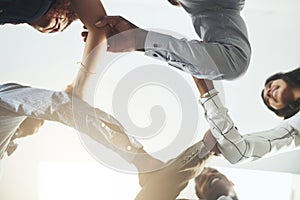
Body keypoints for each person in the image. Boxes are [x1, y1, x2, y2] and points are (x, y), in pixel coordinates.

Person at [94, 0, 251, 80]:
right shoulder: (223, 5)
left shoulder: (213, 9)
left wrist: (139, 40)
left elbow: (232, 62)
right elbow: (234, 62)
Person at [193, 67, 300, 164]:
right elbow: (241, 152)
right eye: (268, 101)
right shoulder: (294, 128)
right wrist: (207, 93)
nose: (268, 92)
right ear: (281, 112)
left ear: (282, 77)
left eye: (270, 85)